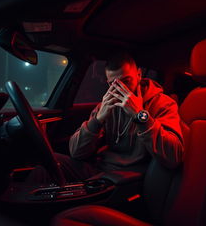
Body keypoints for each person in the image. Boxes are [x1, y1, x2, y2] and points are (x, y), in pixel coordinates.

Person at [28, 52, 184, 184]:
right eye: (113, 84)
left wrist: (139, 115)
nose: (119, 89)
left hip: (127, 178)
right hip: (100, 169)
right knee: (48, 163)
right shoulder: (107, 103)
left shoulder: (162, 103)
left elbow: (173, 156)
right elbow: (76, 152)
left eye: (126, 81)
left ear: (139, 75)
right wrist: (97, 120)